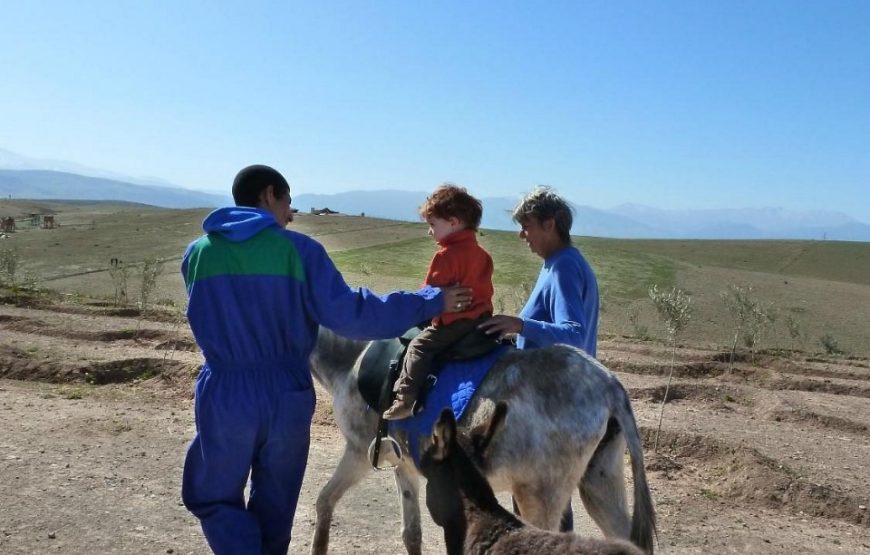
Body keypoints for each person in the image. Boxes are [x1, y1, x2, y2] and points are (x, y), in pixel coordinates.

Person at [180, 165, 471, 555]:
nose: (290, 213)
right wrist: (431, 300)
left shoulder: (197, 255)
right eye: (287, 202)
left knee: (213, 495)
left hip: (227, 393)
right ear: (269, 195)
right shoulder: (300, 252)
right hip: (287, 393)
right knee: (276, 502)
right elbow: (353, 315)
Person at [478, 185, 599, 531]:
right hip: (557, 397)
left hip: (553, 402)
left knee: (543, 506)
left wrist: (520, 324)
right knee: (541, 505)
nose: (521, 235)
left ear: (550, 225)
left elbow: (573, 332)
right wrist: (517, 332)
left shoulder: (563, 267)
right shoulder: (557, 263)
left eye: (527, 225)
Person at [383, 184, 494, 420]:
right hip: (481, 318)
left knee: (419, 347)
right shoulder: (483, 255)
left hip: (454, 322)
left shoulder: (445, 256)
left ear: (453, 222)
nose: (429, 232)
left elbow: (430, 295)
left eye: (433, 225)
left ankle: (405, 398)